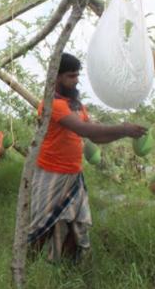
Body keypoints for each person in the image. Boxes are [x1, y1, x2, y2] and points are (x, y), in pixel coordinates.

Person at [28, 52, 147, 262]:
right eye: (71, 76)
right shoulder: (52, 104)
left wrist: (125, 134)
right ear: (56, 78)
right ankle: (24, 267)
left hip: (73, 175)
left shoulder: (76, 105)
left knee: (75, 226)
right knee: (42, 226)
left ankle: (65, 272)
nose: (76, 81)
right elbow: (84, 130)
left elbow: (94, 137)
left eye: (77, 76)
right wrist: (124, 129)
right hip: (52, 174)